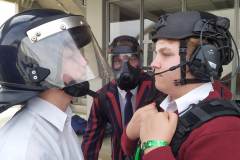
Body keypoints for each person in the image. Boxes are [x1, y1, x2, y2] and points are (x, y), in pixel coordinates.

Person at [121, 11, 240, 160]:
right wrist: (130, 135)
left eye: (166, 53)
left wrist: (155, 148)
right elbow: (132, 152)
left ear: (201, 60)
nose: (153, 64)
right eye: (156, 53)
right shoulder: (161, 103)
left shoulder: (223, 130)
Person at [0, 9, 111, 160]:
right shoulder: (26, 149)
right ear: (39, 70)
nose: (84, 62)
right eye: (72, 55)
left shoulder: (61, 120)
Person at [81, 35, 164, 160]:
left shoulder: (156, 89)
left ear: (140, 61)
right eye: (118, 61)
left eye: (132, 60)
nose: (126, 68)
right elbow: (92, 138)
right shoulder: (103, 97)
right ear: (111, 64)